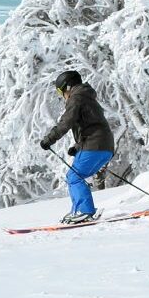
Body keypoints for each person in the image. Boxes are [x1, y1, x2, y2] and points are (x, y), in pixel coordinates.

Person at [38, 70, 116, 223]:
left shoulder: (76, 98)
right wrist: (78, 146)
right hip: (104, 146)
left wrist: (49, 139)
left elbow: (66, 122)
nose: (61, 95)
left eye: (60, 91)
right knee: (73, 176)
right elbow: (91, 124)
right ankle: (77, 210)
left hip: (96, 145)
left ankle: (84, 211)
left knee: (74, 176)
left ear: (67, 87)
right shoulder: (87, 97)